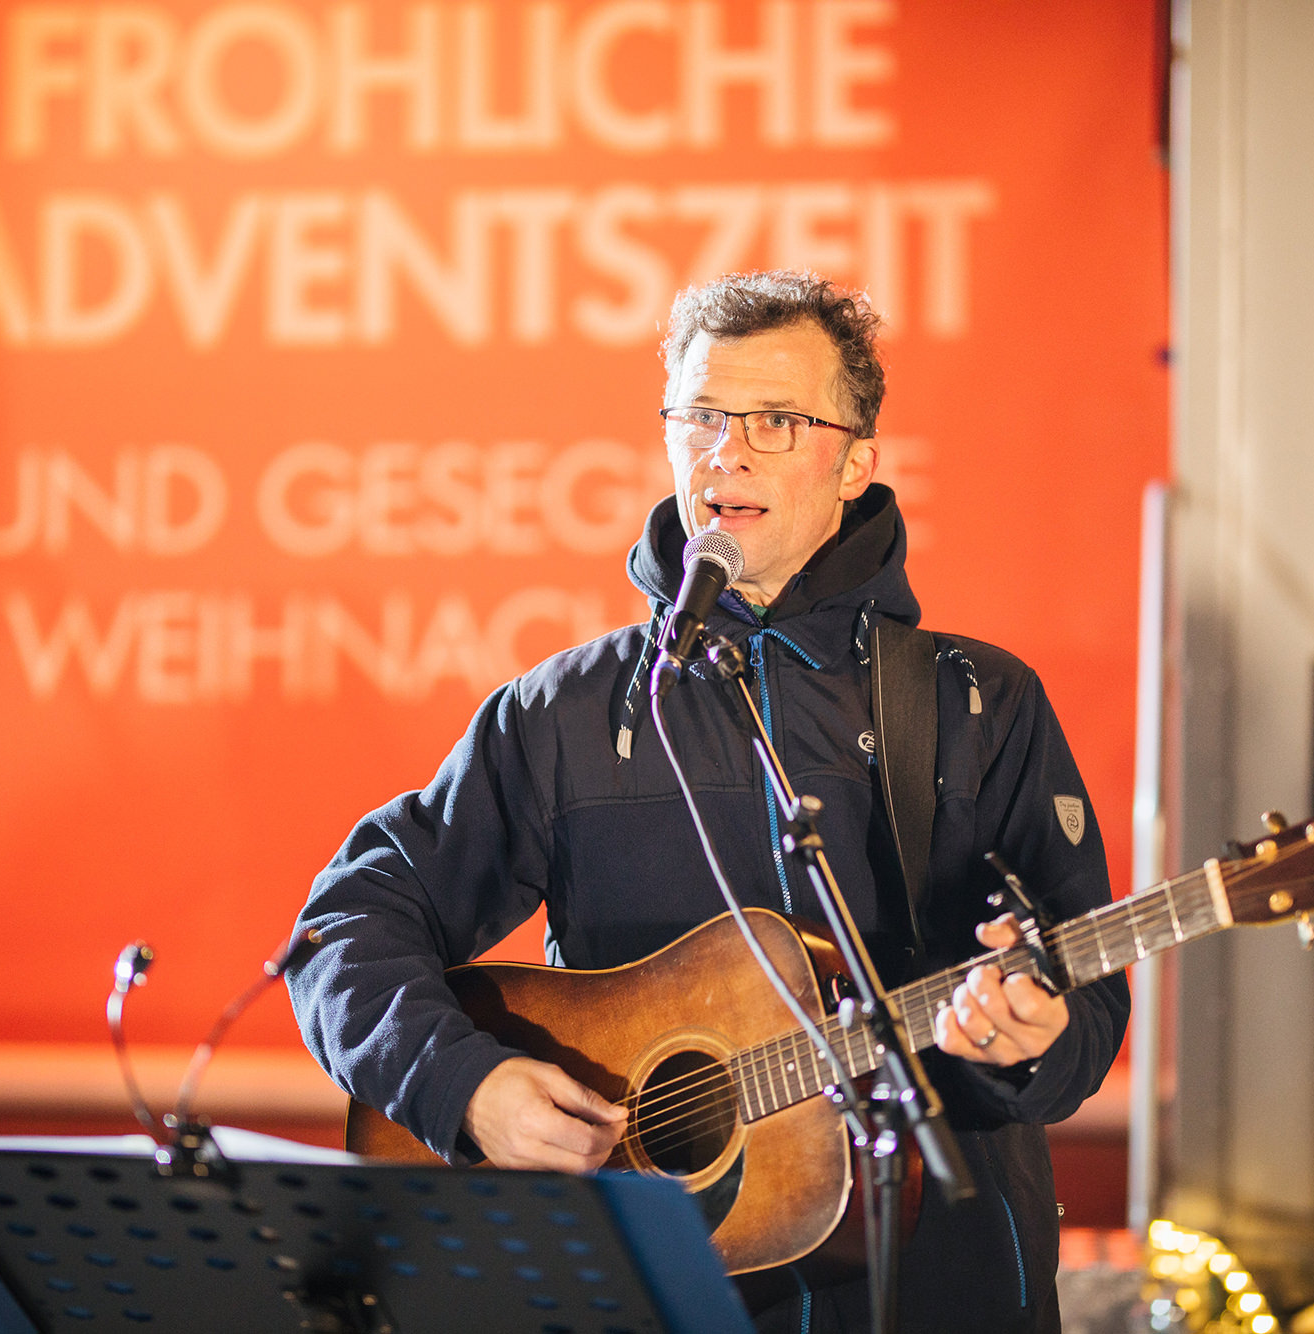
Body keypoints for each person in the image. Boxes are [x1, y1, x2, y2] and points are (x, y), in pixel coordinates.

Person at [286, 271, 1128, 1332]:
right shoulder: (565, 710)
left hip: (935, 1292)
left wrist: (1033, 1037)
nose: (725, 449)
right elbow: (341, 926)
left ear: (854, 458)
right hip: (645, 1299)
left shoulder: (978, 702)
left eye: (775, 420)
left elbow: (1086, 1004)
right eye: (700, 415)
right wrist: (465, 1087)